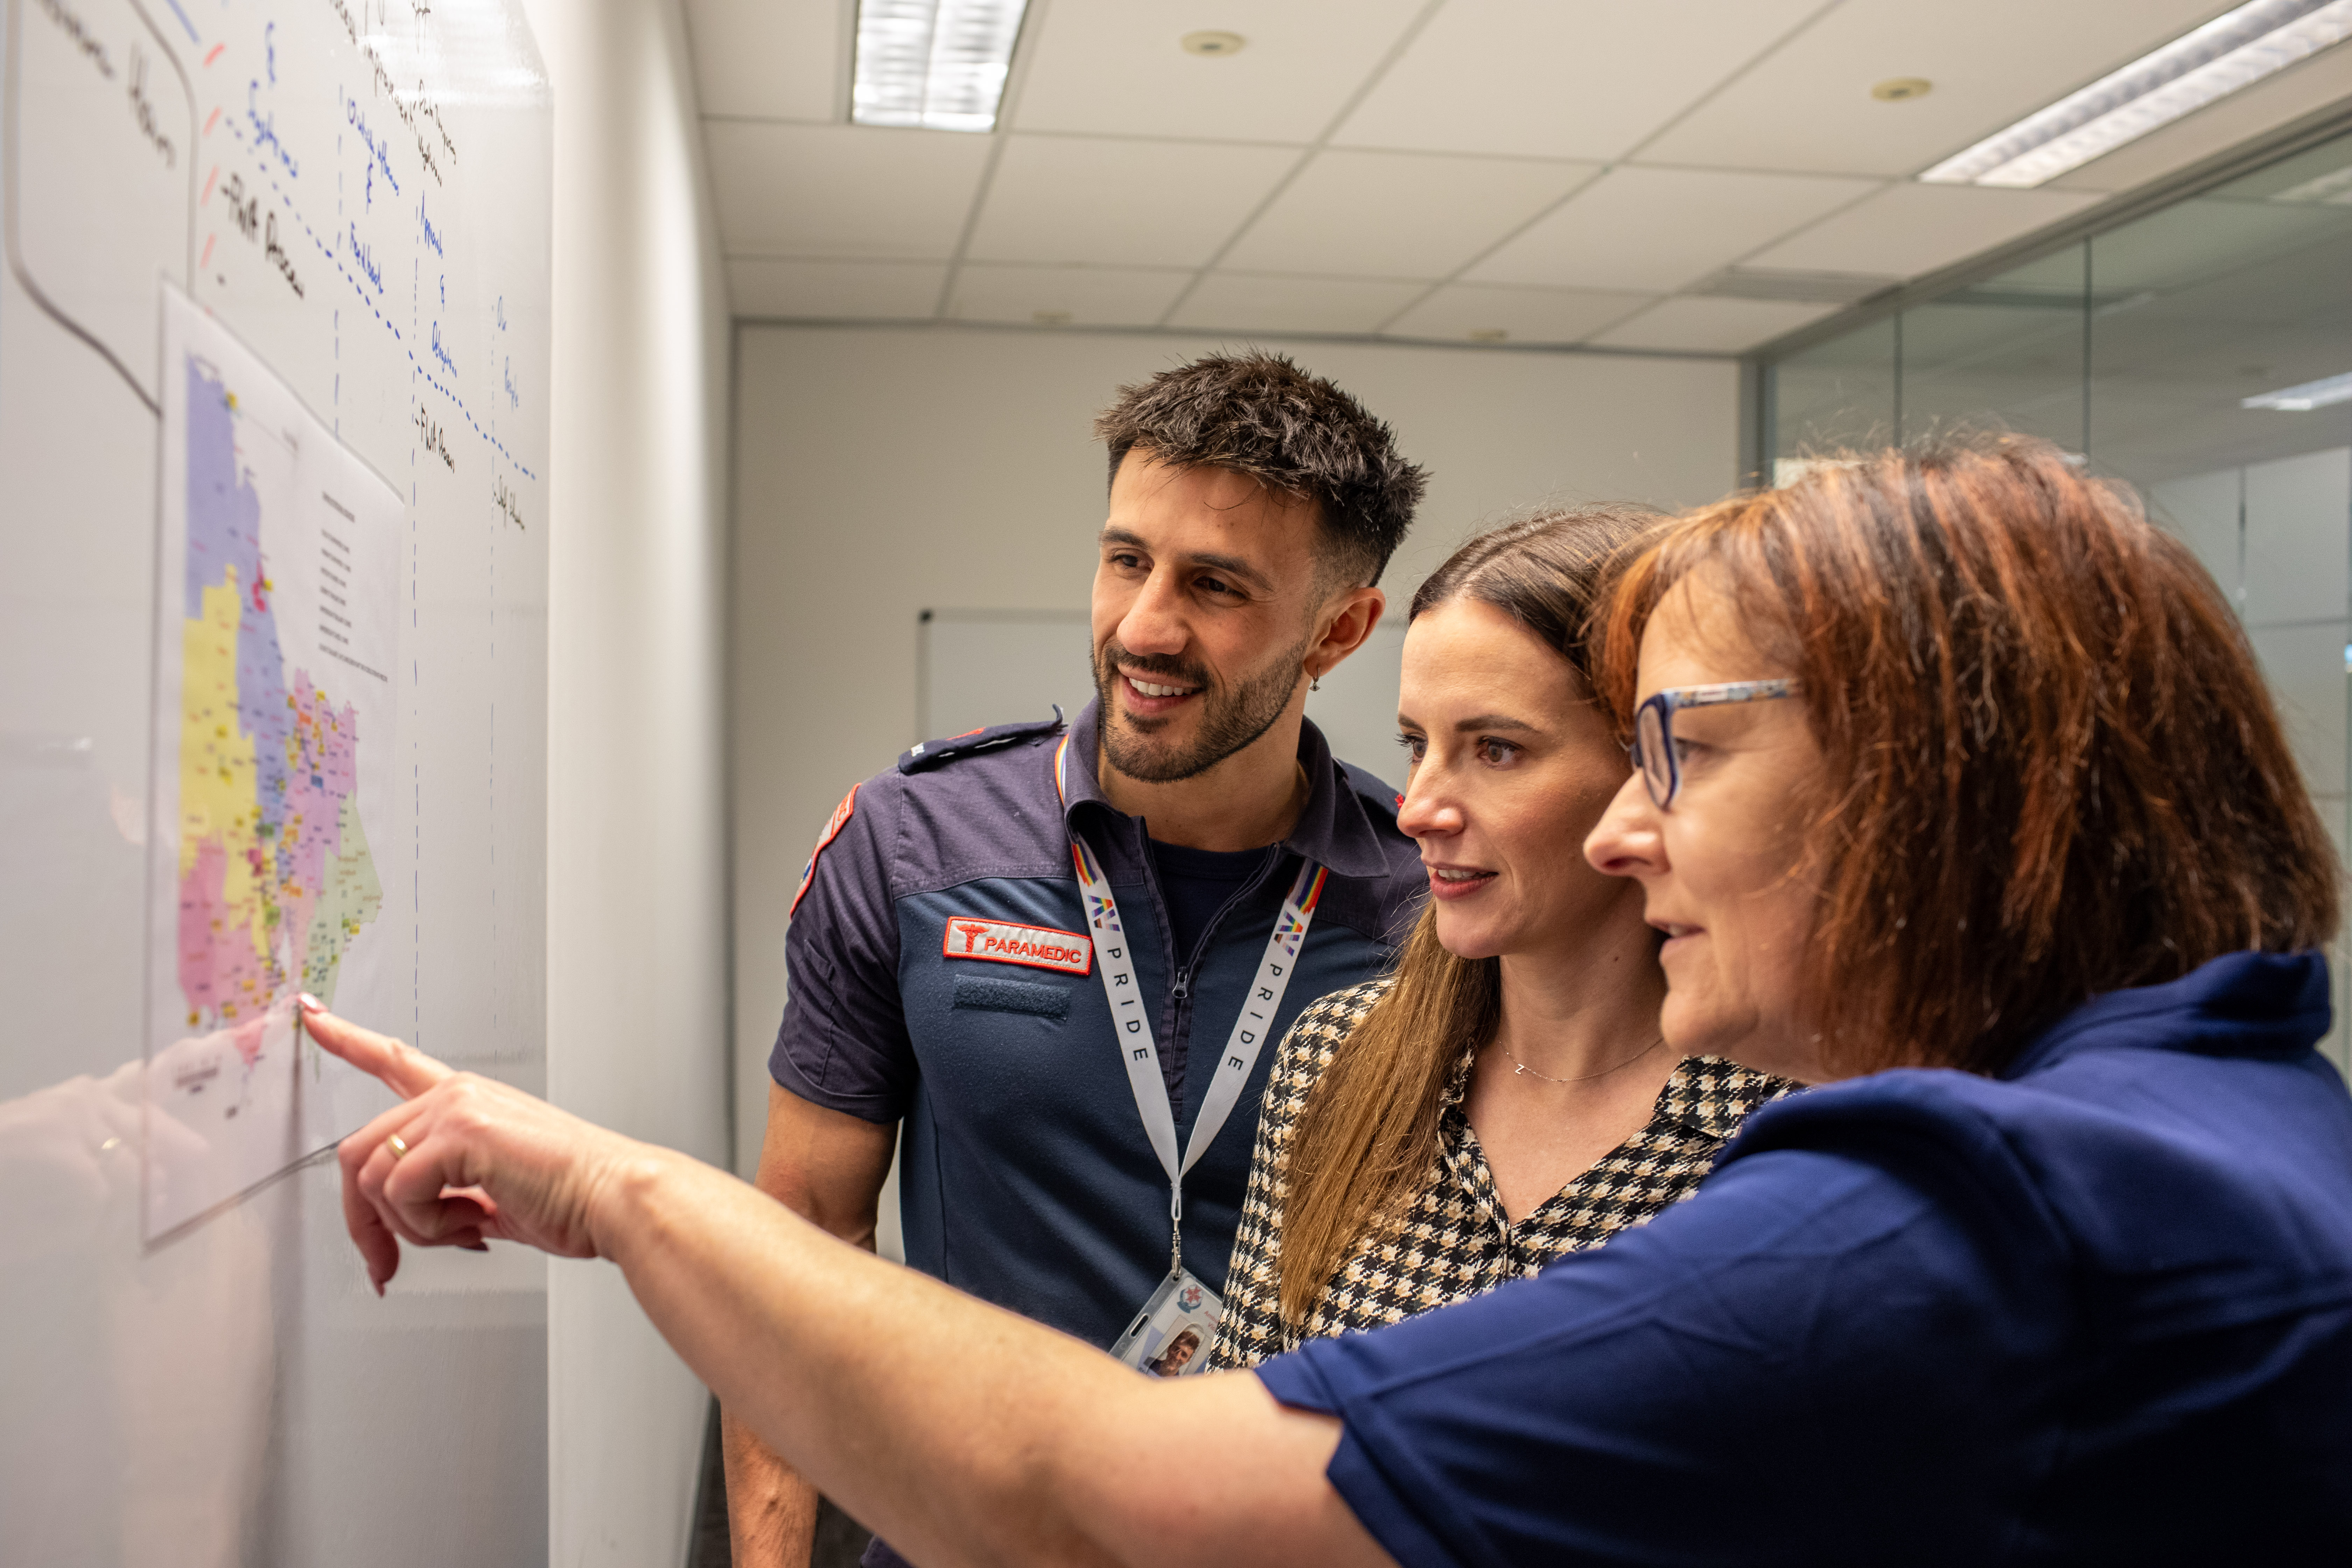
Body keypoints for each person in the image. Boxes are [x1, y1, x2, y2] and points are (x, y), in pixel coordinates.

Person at [310, 436, 2352, 1564]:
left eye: (1686, 754)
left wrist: (617, 1189)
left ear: (1940, 781)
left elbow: (1104, 1494)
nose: (1627, 834)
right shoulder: (2232, 1123)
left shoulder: (1974, 1215)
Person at [730, 352, 1428, 1566]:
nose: (1145, 627)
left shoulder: (1423, 905)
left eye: (1215, 585)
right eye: (1125, 561)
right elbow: (800, 1245)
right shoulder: (913, 844)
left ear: (1342, 630)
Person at [1214, 510, 1796, 1367]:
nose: (1418, 808)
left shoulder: (1786, 1113)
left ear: (1654, 767)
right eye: (1417, 744)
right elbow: (1239, 1408)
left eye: (1496, 750)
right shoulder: (1340, 1059)